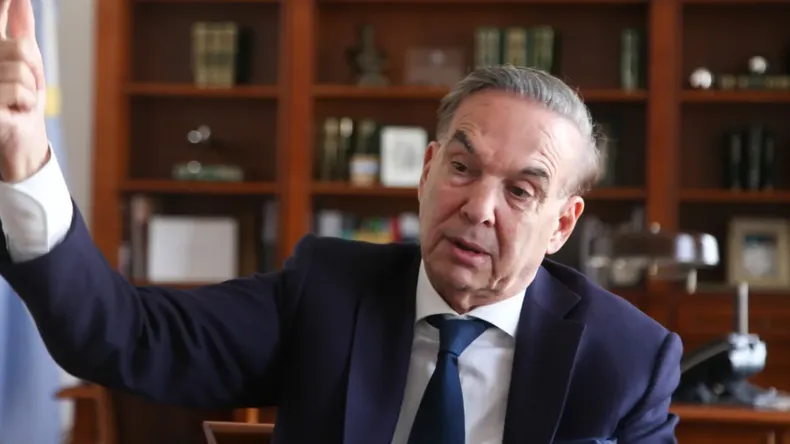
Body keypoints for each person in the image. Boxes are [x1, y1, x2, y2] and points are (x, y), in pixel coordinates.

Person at [0, 0, 682, 442]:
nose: (478, 208)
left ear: (562, 225)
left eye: (522, 191)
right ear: (426, 171)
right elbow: (124, 335)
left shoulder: (625, 360)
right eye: (462, 168)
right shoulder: (327, 291)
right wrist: (26, 160)